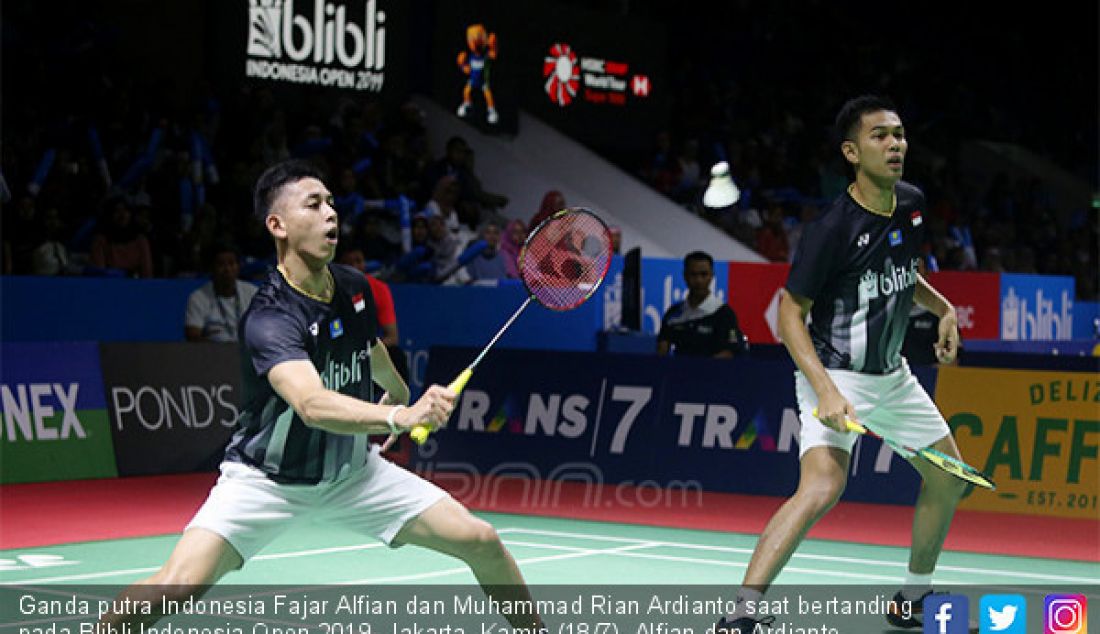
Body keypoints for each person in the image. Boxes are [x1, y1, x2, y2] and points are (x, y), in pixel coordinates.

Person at [101, 160, 543, 632]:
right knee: (179, 583)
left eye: (331, 202)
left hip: (353, 474)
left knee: (481, 539)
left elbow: (370, 351)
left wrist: (404, 397)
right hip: (266, 481)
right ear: (278, 225)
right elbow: (311, 405)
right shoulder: (269, 318)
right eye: (314, 204)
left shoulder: (353, 288)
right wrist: (397, 414)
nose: (331, 213)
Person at [716, 95, 965, 633]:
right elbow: (788, 315)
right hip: (835, 373)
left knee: (948, 480)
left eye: (899, 134)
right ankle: (741, 612)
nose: (895, 144)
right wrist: (825, 390)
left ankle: (912, 599)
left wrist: (944, 309)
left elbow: (905, 273)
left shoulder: (912, 204)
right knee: (822, 488)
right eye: (880, 136)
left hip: (894, 377)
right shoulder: (830, 230)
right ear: (852, 152)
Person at [656, 251, 748, 358]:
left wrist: (702, 368)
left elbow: (731, 351)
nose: (699, 280)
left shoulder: (724, 314)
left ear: (711, 276)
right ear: (685, 276)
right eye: (693, 275)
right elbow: (661, 351)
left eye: (704, 274)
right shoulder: (673, 313)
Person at [184, 243, 259, 343]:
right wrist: (221, 349)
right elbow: (192, 336)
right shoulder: (198, 298)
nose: (227, 269)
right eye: (221, 264)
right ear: (212, 268)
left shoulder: (252, 292)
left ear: (238, 267)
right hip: (213, 355)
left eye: (231, 264)